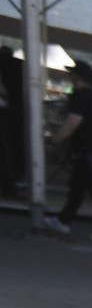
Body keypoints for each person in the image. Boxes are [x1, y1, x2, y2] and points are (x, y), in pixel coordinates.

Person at [44, 61, 92, 243]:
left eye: (71, 75)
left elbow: (72, 122)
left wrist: (55, 139)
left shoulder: (80, 97)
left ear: (77, 78)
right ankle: (63, 220)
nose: (69, 77)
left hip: (88, 151)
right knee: (79, 188)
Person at [0, 46, 25, 197]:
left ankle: (8, 182)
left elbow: (2, 88)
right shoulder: (20, 65)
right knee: (17, 144)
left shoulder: (1, 64)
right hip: (20, 107)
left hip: (5, 108)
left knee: (4, 147)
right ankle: (18, 176)